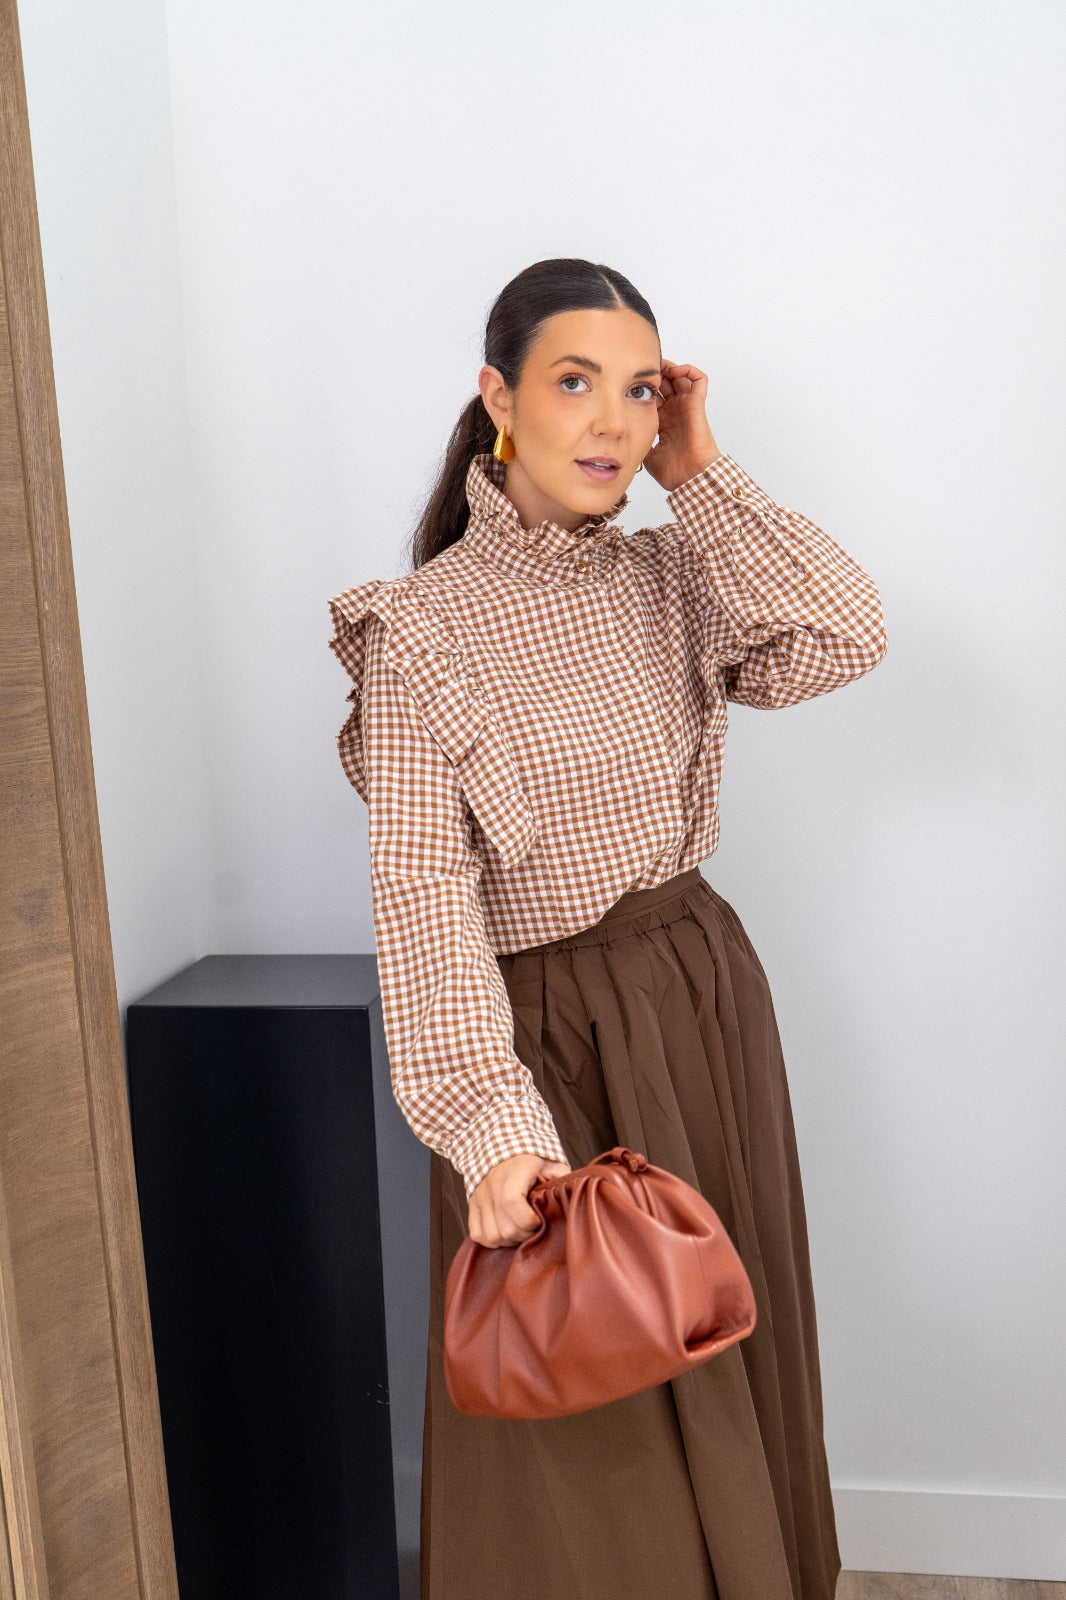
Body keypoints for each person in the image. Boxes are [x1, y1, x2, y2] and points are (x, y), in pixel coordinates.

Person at [326, 257, 887, 1600]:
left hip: (697, 996)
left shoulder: (672, 574)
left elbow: (844, 634)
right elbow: (423, 901)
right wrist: (491, 1130)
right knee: (591, 1420)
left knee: (720, 1345)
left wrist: (702, 472)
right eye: (573, 382)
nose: (610, 423)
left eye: (639, 393)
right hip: (546, 1046)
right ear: (497, 398)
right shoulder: (422, 634)